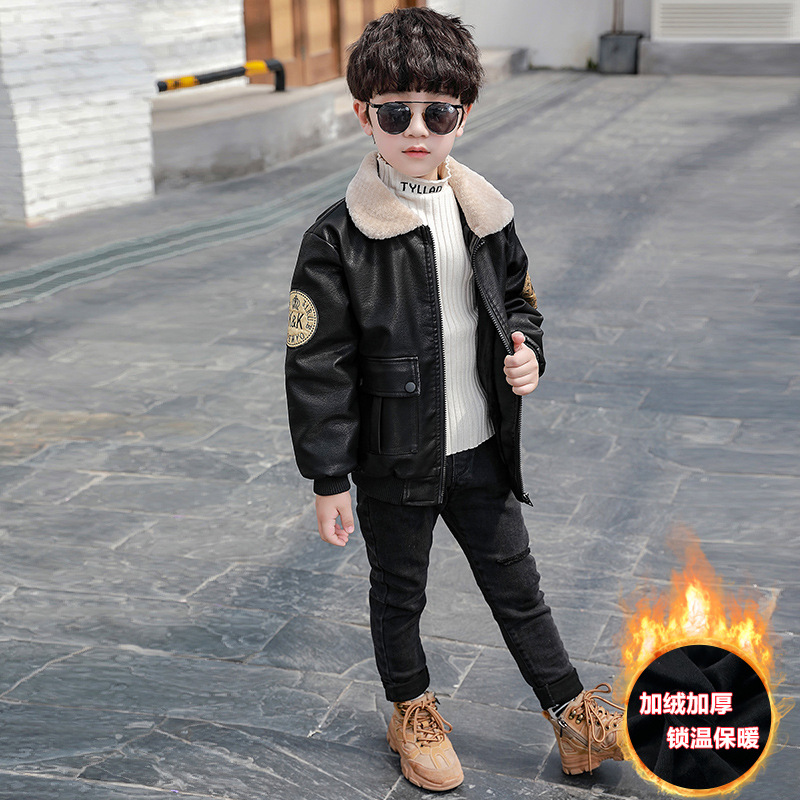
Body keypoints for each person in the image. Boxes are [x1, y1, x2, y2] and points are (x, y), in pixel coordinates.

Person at [285, 7, 625, 792]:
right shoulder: (336, 239)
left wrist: (528, 353)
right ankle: (411, 711)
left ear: (462, 116)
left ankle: (573, 717)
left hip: (481, 451)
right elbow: (317, 365)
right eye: (394, 113)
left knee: (519, 589)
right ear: (363, 115)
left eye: (436, 112)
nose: (416, 130)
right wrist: (328, 477)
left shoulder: (487, 216)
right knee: (399, 592)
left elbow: (521, 304)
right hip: (394, 457)